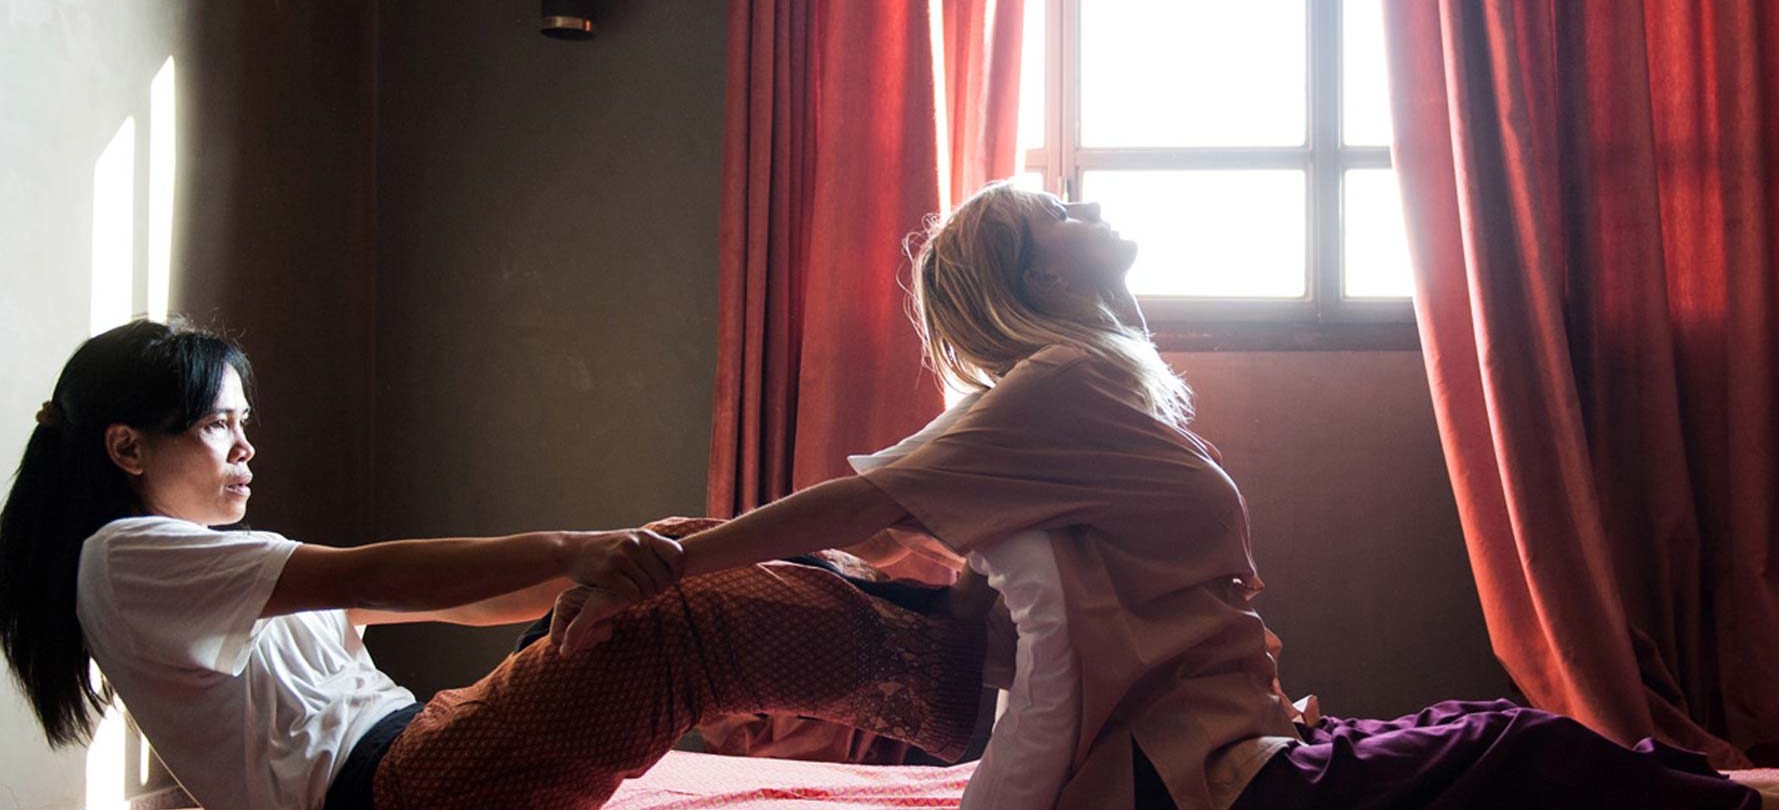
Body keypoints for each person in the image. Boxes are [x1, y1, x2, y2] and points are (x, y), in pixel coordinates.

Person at [554, 180, 1774, 810]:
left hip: (1247, 739)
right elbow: (858, 503)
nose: (1087, 210)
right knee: (1526, 753)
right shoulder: (1058, 385)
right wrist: (670, 565)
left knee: (1503, 739)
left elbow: (899, 523)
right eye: (1058, 215)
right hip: (1200, 779)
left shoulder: (1095, 387)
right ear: (1034, 276)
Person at [0, 319, 993, 810]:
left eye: (242, 422)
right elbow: (372, 575)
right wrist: (578, 554)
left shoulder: (208, 570)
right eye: (220, 425)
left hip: (428, 748)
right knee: (674, 617)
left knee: (668, 550)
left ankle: (923, 619)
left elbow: (466, 604)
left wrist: (605, 563)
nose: (246, 445)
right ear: (128, 447)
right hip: (397, 791)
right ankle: (963, 681)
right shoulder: (122, 562)